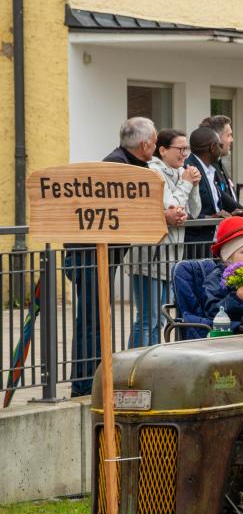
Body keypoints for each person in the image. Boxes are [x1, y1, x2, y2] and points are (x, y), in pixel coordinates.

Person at [64, 117, 156, 396]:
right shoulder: (116, 167)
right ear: (144, 144)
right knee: (92, 319)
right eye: (153, 142)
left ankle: (92, 379)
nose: (154, 146)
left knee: (97, 318)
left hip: (100, 253)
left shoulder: (131, 164)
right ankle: (84, 383)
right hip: (89, 254)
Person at [128, 129, 203, 347]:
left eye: (186, 149)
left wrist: (194, 185)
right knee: (147, 318)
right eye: (180, 149)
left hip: (170, 256)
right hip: (149, 255)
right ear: (162, 150)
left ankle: (147, 363)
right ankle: (135, 367)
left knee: (160, 318)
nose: (184, 154)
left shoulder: (181, 174)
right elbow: (173, 207)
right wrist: (187, 183)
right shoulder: (153, 172)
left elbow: (195, 211)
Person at [184, 126, 243, 257]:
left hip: (210, 243)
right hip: (195, 246)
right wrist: (210, 218)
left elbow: (218, 203)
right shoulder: (189, 169)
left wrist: (231, 214)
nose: (222, 148)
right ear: (212, 147)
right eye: (220, 145)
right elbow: (185, 209)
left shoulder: (210, 170)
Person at [200, 115, 243, 221]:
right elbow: (221, 196)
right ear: (216, 138)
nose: (232, 140)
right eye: (229, 135)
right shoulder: (207, 167)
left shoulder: (218, 164)